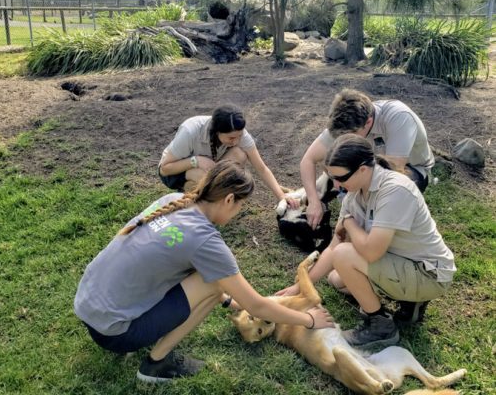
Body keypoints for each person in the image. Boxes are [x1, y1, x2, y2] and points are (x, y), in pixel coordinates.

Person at [74, 161, 333, 383]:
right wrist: (309, 321)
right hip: (115, 333)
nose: (238, 212)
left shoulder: (173, 201)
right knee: (214, 283)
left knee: (210, 278)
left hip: (88, 309)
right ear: (229, 200)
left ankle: (142, 333)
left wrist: (230, 302)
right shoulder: (205, 241)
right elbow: (257, 306)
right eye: (240, 206)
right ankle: (156, 363)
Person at [277, 134, 455, 347]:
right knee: (337, 279)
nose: (335, 184)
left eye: (340, 177)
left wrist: (350, 223)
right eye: (331, 176)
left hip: (429, 274)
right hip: (402, 261)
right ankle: (410, 300)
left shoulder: (395, 190)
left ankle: (381, 327)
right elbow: (332, 248)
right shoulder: (353, 193)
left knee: (345, 256)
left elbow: (370, 252)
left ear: (363, 169)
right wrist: (299, 287)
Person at [301, 89, 435, 231]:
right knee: (317, 194)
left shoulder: (398, 117)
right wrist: (314, 202)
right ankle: (333, 193)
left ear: (369, 122)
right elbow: (308, 160)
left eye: (349, 135)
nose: (343, 140)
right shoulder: (343, 124)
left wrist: (346, 182)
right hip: (363, 166)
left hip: (409, 170)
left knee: (376, 214)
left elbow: (393, 172)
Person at [159, 103, 297, 208]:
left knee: (239, 154)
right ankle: (194, 195)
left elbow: (261, 168)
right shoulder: (190, 131)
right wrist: (196, 160)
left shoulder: (238, 134)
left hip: (210, 167)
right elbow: (164, 169)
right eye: (231, 138)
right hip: (176, 172)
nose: (236, 141)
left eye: (239, 136)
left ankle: (210, 193)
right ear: (217, 131)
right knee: (203, 175)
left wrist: (280, 195)